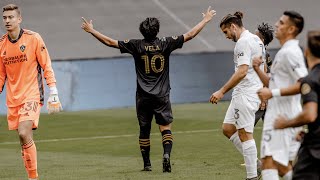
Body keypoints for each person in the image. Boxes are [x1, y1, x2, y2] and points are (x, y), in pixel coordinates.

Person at [81, 6, 216, 172]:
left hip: (143, 96)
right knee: (165, 127)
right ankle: (166, 155)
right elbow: (190, 35)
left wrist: (92, 30)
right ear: (157, 30)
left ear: (142, 31)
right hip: (162, 95)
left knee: (144, 130)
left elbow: (110, 42)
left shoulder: (136, 45)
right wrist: (205, 19)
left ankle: (147, 164)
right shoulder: (166, 43)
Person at [0, 4, 62, 180]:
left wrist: (54, 91)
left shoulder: (33, 38)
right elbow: (0, 76)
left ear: (19, 19)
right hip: (13, 100)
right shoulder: (1, 45)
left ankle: (33, 177)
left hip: (32, 94)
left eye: (11, 17)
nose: (7, 20)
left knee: (23, 132)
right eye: (5, 18)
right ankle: (32, 175)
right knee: (23, 139)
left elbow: (46, 65)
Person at [209, 11, 265, 180]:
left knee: (245, 134)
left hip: (246, 94)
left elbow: (241, 72)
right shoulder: (256, 39)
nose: (226, 36)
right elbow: (261, 67)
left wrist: (221, 91)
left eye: (226, 32)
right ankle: (256, 164)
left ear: (233, 26)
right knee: (228, 129)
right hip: (248, 92)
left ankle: (252, 176)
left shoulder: (243, 42)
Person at [253, 11, 307, 180]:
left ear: (291, 29)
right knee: (281, 165)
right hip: (282, 115)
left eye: (281, 23)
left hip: (281, 117)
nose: (276, 25)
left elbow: (304, 83)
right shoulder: (284, 51)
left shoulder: (290, 52)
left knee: (268, 162)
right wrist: (257, 69)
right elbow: (275, 83)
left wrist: (272, 93)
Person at [272, 30, 320, 180]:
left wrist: (286, 123)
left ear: (306, 52)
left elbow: (310, 114)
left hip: (315, 149)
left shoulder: (310, 80)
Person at [254, 22, 274, 126]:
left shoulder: (262, 55)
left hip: (261, 98)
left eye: (255, 36)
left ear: (261, 40)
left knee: (243, 130)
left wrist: (263, 100)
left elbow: (265, 73)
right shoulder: (263, 53)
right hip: (261, 96)